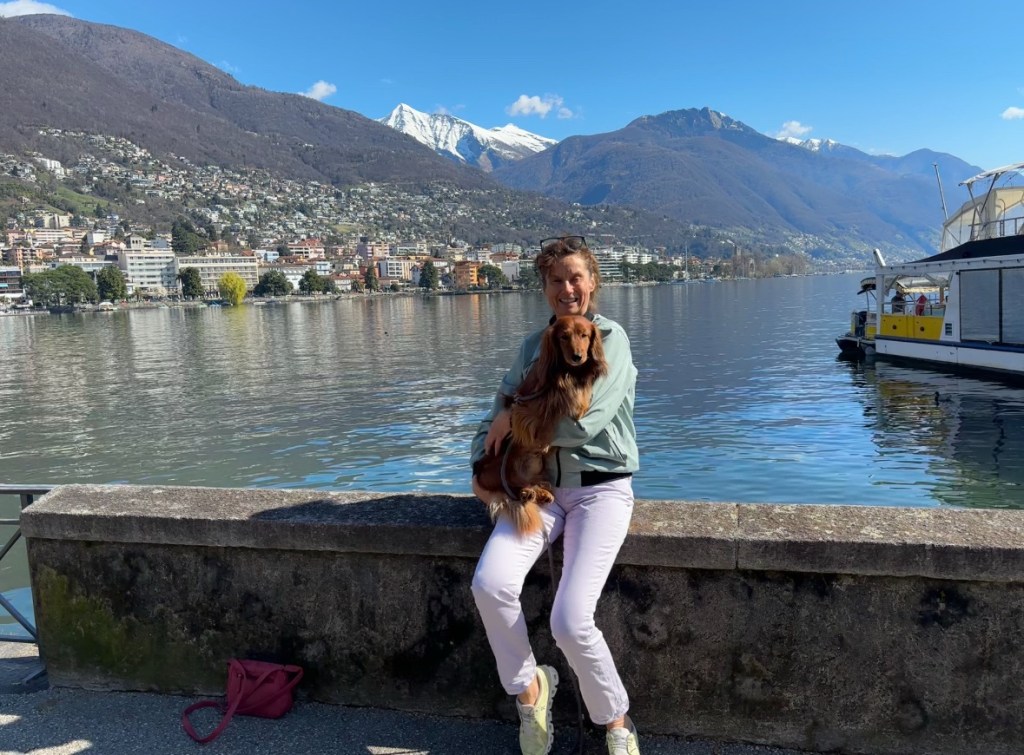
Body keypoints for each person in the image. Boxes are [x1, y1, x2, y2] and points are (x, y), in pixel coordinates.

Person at [470, 235, 641, 755]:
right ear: (544, 288)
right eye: (555, 280)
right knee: (490, 584)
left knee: (570, 620)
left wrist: (515, 418)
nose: (567, 289)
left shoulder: (610, 339)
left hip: (600, 490)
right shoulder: (533, 347)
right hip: (539, 491)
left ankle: (617, 724)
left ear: (593, 282)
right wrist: (481, 466)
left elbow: (582, 425)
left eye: (575, 278)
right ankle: (531, 691)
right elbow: (495, 411)